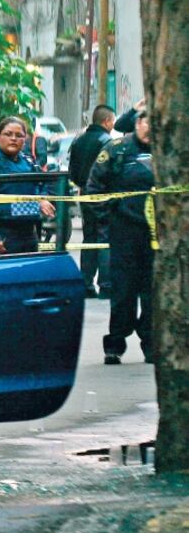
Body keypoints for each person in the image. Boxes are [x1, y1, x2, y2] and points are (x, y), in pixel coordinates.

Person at [87, 109, 155, 365]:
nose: (151, 127)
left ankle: (152, 343)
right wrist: (109, 219)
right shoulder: (117, 149)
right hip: (124, 233)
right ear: (138, 123)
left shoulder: (169, 151)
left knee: (153, 293)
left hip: (157, 235)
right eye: (147, 121)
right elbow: (94, 187)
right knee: (123, 292)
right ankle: (115, 344)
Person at [0, 116, 56, 255]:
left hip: (29, 233)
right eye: (8, 134)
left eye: (19, 135)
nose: (13, 139)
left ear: (25, 140)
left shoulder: (28, 162)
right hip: (3, 234)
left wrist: (42, 199)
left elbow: (43, 183)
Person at [69, 104, 116, 298]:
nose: (113, 125)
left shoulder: (78, 141)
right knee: (105, 238)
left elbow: (72, 171)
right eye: (112, 121)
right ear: (106, 121)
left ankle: (86, 284)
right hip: (103, 195)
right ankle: (106, 286)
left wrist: (83, 185)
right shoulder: (107, 142)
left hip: (84, 194)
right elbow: (112, 171)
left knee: (89, 238)